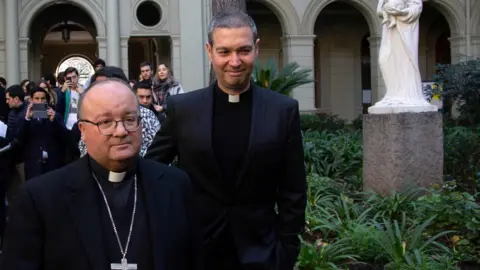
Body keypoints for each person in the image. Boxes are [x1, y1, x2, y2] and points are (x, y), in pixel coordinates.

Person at [145, 10, 306, 270]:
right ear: (210, 51)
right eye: (224, 51)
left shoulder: (282, 110)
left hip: (263, 251)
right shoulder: (183, 108)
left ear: (256, 49)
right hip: (195, 250)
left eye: (243, 50)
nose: (235, 61)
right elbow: (153, 170)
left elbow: (294, 187)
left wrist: (286, 248)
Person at [0, 79, 201, 270]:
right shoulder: (41, 198)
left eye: (130, 119)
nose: (121, 131)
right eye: (106, 122)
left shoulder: (175, 185)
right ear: (83, 130)